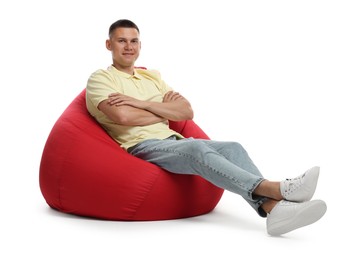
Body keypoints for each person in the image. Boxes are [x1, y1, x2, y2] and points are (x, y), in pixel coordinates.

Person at [85, 19, 327, 236]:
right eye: (122, 41)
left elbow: (186, 111)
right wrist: (160, 110)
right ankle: (279, 189)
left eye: (134, 41)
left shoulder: (152, 77)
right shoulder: (101, 79)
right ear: (109, 45)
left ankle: (272, 211)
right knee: (198, 150)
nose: (129, 46)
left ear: (140, 44)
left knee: (234, 148)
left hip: (173, 140)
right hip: (141, 146)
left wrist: (139, 104)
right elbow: (123, 116)